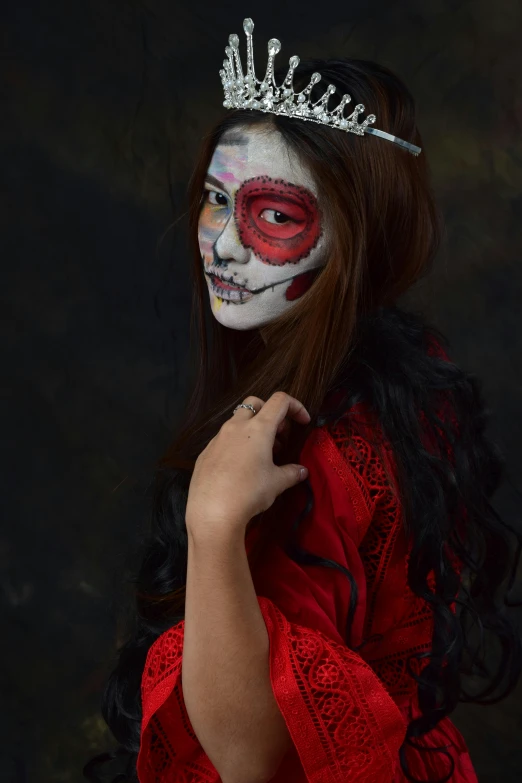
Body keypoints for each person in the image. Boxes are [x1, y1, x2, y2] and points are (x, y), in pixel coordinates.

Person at [84, 17, 522, 783]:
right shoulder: (406, 373)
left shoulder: (322, 452)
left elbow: (249, 760)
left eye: (275, 215)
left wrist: (215, 525)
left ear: (354, 240)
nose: (222, 243)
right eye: (215, 201)